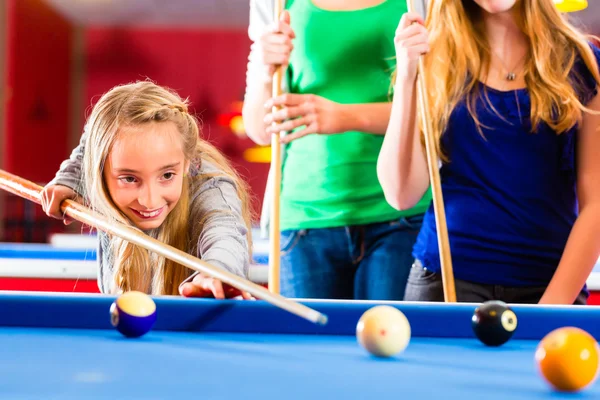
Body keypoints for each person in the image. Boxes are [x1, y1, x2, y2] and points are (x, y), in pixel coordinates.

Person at [378, 0, 600, 304]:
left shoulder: (582, 62)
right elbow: (401, 193)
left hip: (551, 285)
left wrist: (551, 305)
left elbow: (596, 205)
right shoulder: (433, 56)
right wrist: (407, 77)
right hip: (444, 281)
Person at [242, 0, 431, 300]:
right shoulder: (275, 3)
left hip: (400, 215)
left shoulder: (424, 3)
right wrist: (265, 68)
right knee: (308, 346)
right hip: (303, 217)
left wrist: (343, 116)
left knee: (389, 345)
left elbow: (437, 113)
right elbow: (261, 131)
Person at [41, 81, 254, 299]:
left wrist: (217, 272)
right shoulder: (101, 166)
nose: (149, 201)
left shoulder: (212, 188)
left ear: (187, 162)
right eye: (130, 178)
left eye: (167, 175)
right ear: (99, 170)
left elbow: (224, 233)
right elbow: (92, 140)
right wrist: (70, 178)